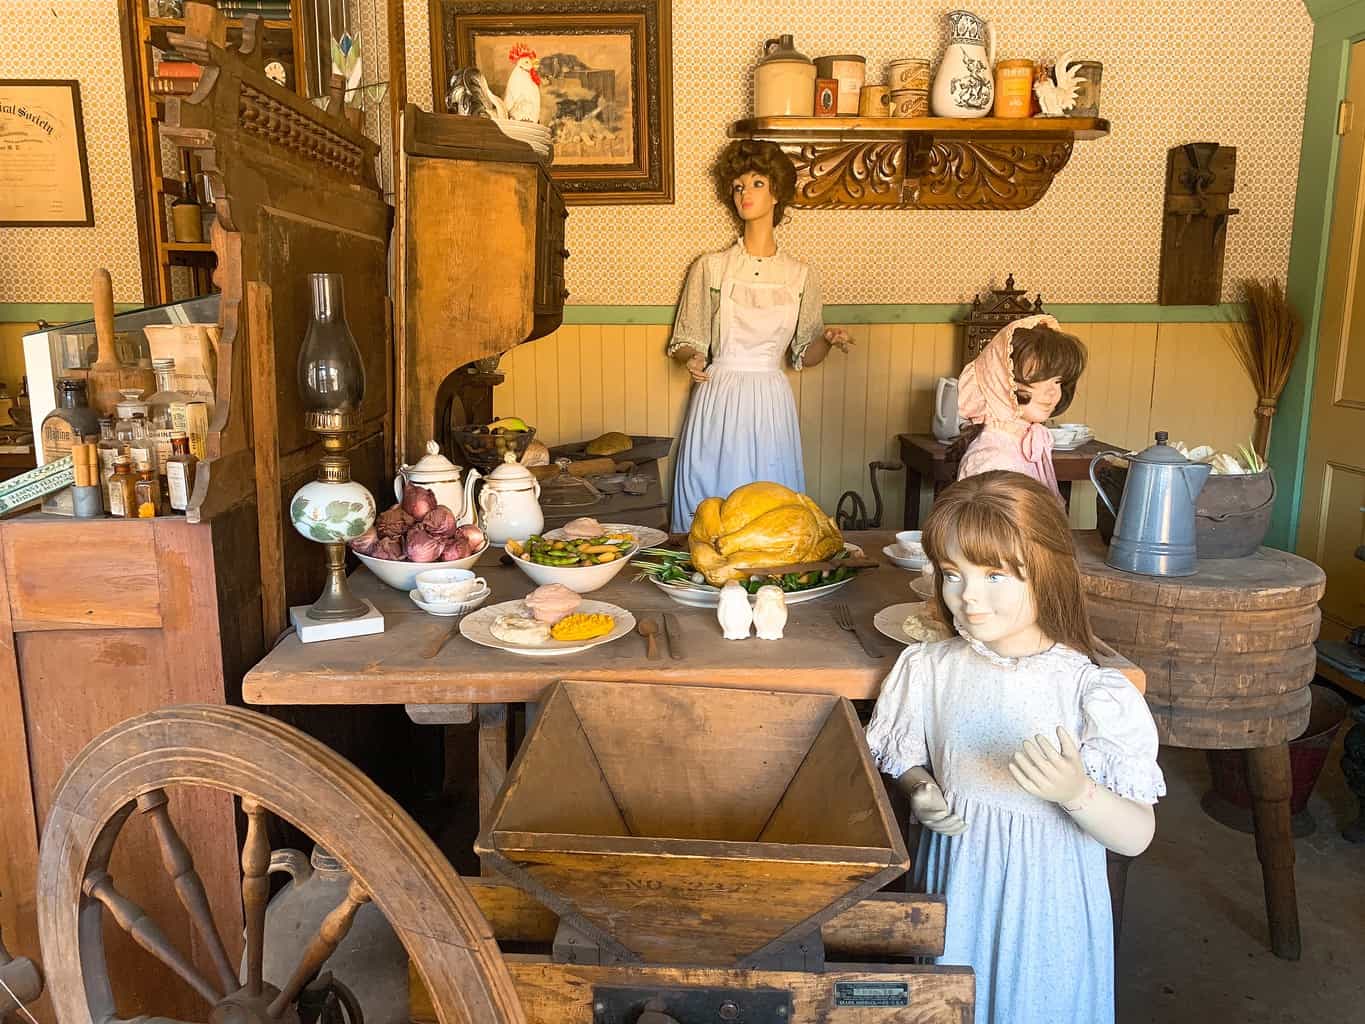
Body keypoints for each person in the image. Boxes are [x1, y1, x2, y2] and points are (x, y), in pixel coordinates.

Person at [865, 471, 1164, 1024]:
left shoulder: (1088, 691)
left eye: (995, 575)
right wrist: (919, 786)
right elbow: (900, 751)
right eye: (952, 574)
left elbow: (1138, 834)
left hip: (1047, 908)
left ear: (1045, 572)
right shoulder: (930, 667)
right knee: (950, 1002)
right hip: (957, 887)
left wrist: (1079, 792)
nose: (968, 596)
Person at [666, 140, 852, 531]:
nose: (744, 194)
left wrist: (827, 342)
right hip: (720, 396)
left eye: (756, 183)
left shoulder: (801, 275)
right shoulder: (711, 268)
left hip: (770, 401)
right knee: (710, 505)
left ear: (777, 191)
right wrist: (694, 359)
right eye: (737, 186)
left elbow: (803, 353)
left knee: (770, 508)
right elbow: (687, 340)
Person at [949, 314, 1087, 497]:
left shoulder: (1026, 439)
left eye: (1057, 381)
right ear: (1000, 381)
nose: (1053, 392)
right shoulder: (991, 457)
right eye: (1038, 379)